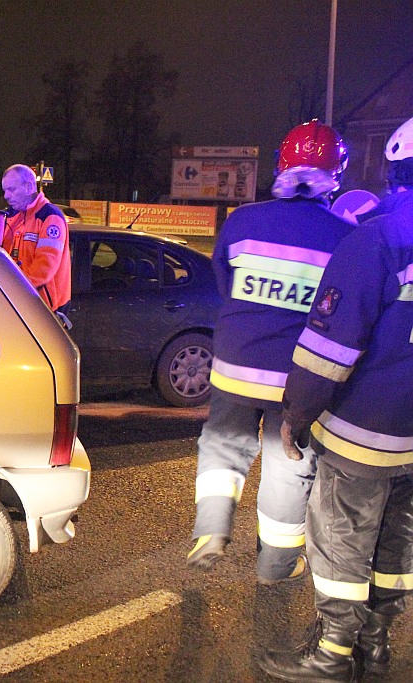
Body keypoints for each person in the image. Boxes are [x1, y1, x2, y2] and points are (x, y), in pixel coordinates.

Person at [258, 117, 413, 682]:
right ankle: (377, 645)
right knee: (398, 546)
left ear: (394, 170)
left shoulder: (377, 239)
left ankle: (331, 655)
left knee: (343, 543)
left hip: (363, 434)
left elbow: (328, 349)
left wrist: (296, 418)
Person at [186, 121, 353, 584]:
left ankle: (211, 529)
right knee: (287, 466)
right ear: (334, 175)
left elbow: (226, 284)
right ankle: (276, 565)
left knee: (222, 446)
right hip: (296, 378)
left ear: (282, 168)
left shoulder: (242, 220)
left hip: (234, 364)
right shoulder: (343, 236)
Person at [0, 164, 71, 311]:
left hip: (44, 308)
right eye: (5, 190)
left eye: (11, 189)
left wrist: (12, 289)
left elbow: (43, 268)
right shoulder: (12, 215)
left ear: (29, 187)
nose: (6, 196)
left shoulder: (50, 217)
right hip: (21, 300)